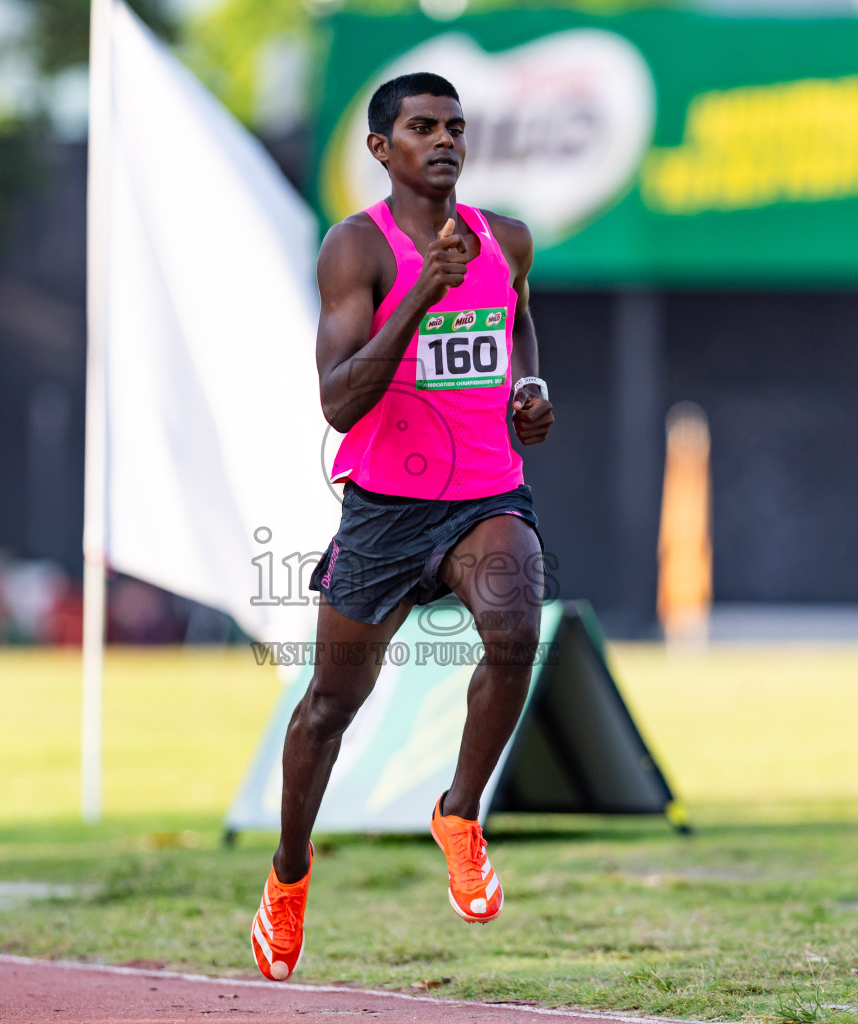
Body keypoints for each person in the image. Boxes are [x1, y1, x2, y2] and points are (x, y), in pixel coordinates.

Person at [251, 72, 555, 982]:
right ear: (382, 149)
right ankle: (290, 872)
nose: (444, 140)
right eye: (422, 127)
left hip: (484, 495)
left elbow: (520, 328)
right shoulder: (357, 251)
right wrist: (421, 292)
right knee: (328, 710)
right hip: (384, 508)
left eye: (456, 126)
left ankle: (460, 813)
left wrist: (529, 391)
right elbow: (339, 403)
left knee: (515, 624)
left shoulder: (505, 240)